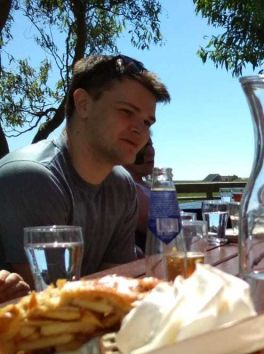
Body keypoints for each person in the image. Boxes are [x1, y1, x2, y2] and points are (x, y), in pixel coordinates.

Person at [0, 54, 170, 285]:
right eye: (126, 112)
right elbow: (51, 300)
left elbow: (111, 285)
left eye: (147, 122)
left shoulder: (122, 186)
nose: (140, 130)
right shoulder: (32, 177)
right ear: (83, 104)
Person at [123, 137, 155, 251]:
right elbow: (161, 224)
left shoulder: (146, 185)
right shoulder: (126, 186)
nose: (150, 151)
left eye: (150, 144)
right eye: (141, 147)